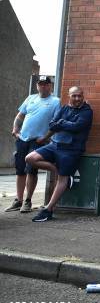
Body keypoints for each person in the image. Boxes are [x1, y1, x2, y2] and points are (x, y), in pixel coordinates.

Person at [26, 86, 93, 222]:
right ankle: (58, 170)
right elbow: (52, 125)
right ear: (69, 96)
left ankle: (48, 210)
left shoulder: (87, 111)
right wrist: (63, 124)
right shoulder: (63, 109)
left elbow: (77, 127)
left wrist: (61, 123)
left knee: (61, 180)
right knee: (30, 158)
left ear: (83, 96)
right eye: (74, 96)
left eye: (79, 96)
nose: (77, 98)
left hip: (71, 149)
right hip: (54, 145)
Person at [5, 76, 60, 213]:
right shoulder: (30, 98)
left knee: (31, 170)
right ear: (37, 86)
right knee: (20, 170)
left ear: (50, 86)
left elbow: (56, 123)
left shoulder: (55, 101)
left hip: (38, 141)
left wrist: (46, 137)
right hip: (23, 139)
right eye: (40, 84)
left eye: (45, 84)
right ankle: (18, 200)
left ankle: (28, 201)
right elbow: (20, 116)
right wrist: (15, 129)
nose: (42, 86)